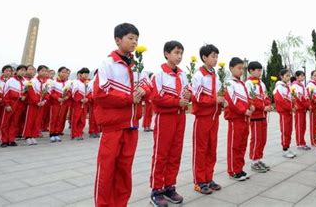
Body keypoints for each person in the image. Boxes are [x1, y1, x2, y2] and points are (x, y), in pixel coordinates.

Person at [93, 23, 148, 207]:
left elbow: (148, 84)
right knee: (106, 170)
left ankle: (120, 204)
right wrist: (128, 97)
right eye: (130, 38)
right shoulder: (107, 64)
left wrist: (143, 90)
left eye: (136, 39)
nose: (134, 42)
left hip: (131, 126)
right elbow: (100, 93)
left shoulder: (137, 65)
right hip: (113, 127)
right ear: (118, 40)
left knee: (125, 170)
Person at [149, 41, 190, 207]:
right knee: (161, 154)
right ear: (166, 53)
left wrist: (189, 96)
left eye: (181, 53)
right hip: (165, 118)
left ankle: (169, 186)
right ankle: (156, 190)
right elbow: (156, 97)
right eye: (176, 52)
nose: (179, 56)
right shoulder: (158, 75)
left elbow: (188, 92)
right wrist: (177, 102)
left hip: (180, 118)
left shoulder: (183, 75)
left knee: (175, 153)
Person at [191, 44, 224, 194]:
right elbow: (197, 97)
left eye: (217, 56)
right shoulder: (198, 75)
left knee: (212, 149)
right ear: (204, 58)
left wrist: (223, 102)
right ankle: (199, 181)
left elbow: (219, 96)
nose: (216, 59)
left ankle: (208, 178)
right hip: (203, 118)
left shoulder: (216, 76)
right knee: (201, 149)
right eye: (213, 56)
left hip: (214, 117)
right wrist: (215, 100)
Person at [224, 57, 253, 181]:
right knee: (234, 145)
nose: (241, 71)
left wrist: (251, 105)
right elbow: (232, 100)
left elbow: (246, 97)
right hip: (236, 118)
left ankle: (239, 168)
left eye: (242, 68)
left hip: (245, 118)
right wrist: (243, 110)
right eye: (239, 68)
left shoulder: (241, 83)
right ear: (231, 68)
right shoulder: (229, 83)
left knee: (242, 144)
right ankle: (232, 171)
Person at [245, 61, 272, 173]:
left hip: (263, 116)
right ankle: (254, 161)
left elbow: (265, 96)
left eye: (261, 70)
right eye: (258, 70)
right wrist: (262, 107)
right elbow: (252, 100)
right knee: (256, 139)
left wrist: (268, 104)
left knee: (262, 139)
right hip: (255, 116)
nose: (260, 72)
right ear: (251, 71)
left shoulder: (262, 83)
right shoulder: (249, 83)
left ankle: (259, 158)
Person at [0, 65, 28, 147]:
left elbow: (26, 93)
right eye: (21, 70)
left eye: (24, 71)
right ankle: (4, 140)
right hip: (11, 103)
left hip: (20, 105)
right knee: (5, 122)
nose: (23, 72)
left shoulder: (26, 82)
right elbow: (5, 94)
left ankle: (11, 139)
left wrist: (24, 96)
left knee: (15, 122)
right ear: (17, 71)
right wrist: (7, 104)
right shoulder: (11, 80)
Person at [274, 68, 296, 158]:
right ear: (281, 76)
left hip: (289, 112)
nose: (288, 77)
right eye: (286, 76)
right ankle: (284, 149)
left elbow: (290, 99)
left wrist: (294, 104)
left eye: (289, 76)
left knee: (289, 130)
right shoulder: (279, 87)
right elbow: (280, 100)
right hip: (284, 112)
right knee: (285, 130)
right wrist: (290, 107)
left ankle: (287, 146)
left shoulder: (288, 86)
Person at [49, 66, 72, 142]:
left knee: (61, 118)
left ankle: (57, 133)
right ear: (59, 73)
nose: (64, 74)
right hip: (55, 103)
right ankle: (52, 133)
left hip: (64, 103)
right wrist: (57, 98)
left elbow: (69, 92)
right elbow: (51, 92)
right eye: (63, 72)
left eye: (66, 72)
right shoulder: (53, 82)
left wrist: (67, 97)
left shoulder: (68, 82)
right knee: (54, 118)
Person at [291, 71, 311, 150]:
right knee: (299, 126)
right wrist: (305, 104)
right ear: (296, 76)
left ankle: (302, 142)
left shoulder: (302, 85)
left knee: (303, 126)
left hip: (303, 109)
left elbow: (306, 96)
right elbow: (297, 98)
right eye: (301, 76)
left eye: (303, 76)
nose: (303, 77)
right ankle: (299, 143)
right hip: (299, 109)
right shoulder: (294, 86)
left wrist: (307, 104)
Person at [71, 68, 91, 140]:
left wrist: (87, 98)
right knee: (76, 118)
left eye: (87, 74)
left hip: (85, 103)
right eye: (84, 73)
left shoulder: (88, 83)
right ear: (80, 74)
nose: (86, 75)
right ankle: (74, 134)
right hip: (78, 104)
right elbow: (74, 92)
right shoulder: (76, 82)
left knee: (82, 119)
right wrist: (80, 99)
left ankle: (80, 132)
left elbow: (90, 92)